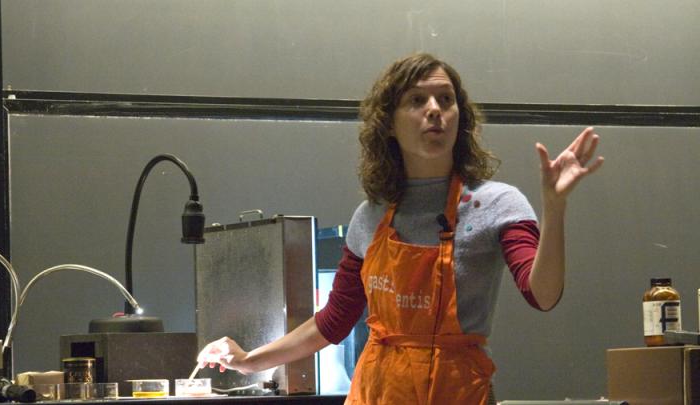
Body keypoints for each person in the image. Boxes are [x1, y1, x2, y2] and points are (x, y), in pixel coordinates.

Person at [196, 53, 604, 405]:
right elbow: (334, 321)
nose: (434, 109)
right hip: (378, 392)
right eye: (417, 99)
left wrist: (555, 206)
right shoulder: (369, 216)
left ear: (459, 117)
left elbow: (543, 294)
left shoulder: (498, 204)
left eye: (446, 100)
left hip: (458, 393)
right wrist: (249, 360)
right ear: (388, 123)